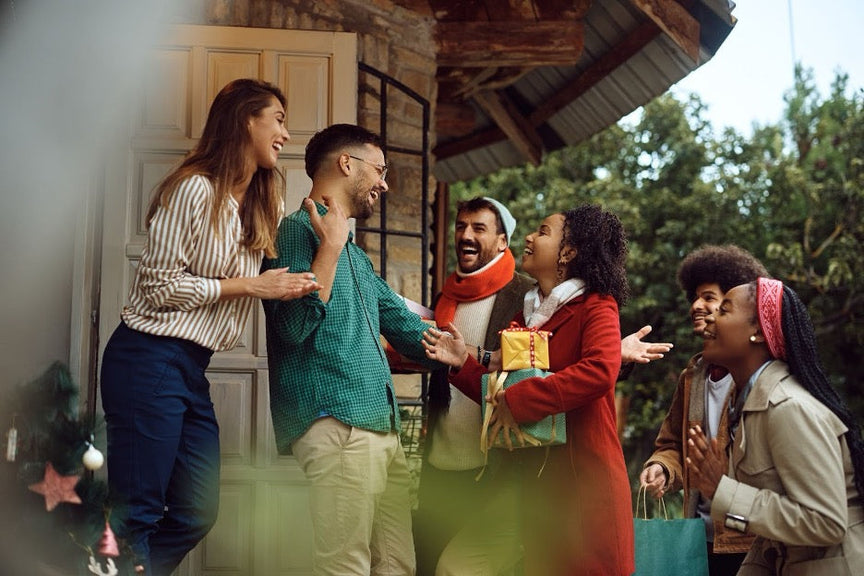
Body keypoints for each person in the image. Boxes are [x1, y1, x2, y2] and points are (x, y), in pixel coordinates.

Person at [100, 79, 321, 576]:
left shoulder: (262, 201)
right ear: (246, 119)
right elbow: (157, 286)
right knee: (136, 514)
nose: (286, 133)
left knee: (197, 510)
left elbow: (281, 273)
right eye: (278, 119)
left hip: (190, 367)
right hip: (147, 356)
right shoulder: (193, 188)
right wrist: (249, 286)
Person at [414, 197, 672, 575]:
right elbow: (501, 389)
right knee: (456, 566)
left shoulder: (596, 304)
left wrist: (519, 400)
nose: (530, 237)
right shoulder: (528, 315)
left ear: (568, 252)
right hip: (533, 487)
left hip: (581, 485)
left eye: (543, 231)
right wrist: (461, 364)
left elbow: (600, 371)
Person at [261, 123, 441, 576]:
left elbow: (406, 328)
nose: (384, 183)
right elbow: (292, 328)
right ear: (346, 163)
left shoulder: (357, 258)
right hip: (339, 426)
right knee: (345, 567)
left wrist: (487, 356)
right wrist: (331, 247)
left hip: (381, 430)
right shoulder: (292, 233)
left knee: (396, 566)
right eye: (379, 169)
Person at [686, 278, 864, 575]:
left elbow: (826, 522)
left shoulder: (788, 408)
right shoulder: (749, 405)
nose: (710, 316)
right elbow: (773, 537)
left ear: (757, 331)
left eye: (724, 310)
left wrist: (723, 491)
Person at [640, 245, 768, 575]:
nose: (696, 306)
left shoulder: (761, 377)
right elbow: (673, 445)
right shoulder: (694, 375)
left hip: (752, 542)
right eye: (695, 297)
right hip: (700, 538)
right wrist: (663, 469)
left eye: (709, 298)